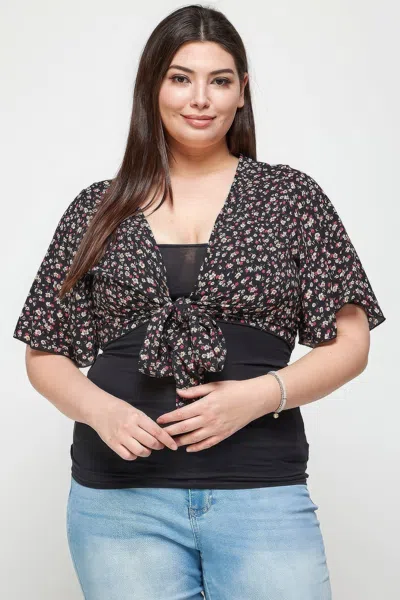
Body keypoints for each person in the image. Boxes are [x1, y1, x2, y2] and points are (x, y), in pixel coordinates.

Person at [13, 5, 386, 600]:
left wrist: (258, 397)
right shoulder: (98, 208)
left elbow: (352, 342)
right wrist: (101, 412)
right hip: (119, 505)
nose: (200, 99)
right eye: (181, 78)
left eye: (220, 80)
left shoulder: (290, 198)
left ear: (242, 92)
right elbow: (44, 350)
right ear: (153, 87)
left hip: (261, 490)